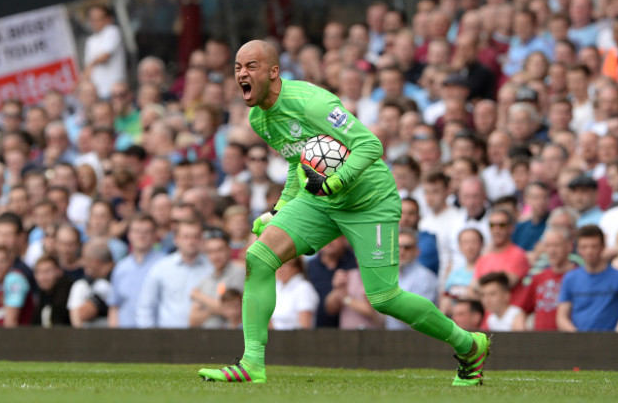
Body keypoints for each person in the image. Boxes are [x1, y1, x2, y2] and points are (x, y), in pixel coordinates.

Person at [198, 40, 490, 386]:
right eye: (237, 67)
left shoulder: (312, 103)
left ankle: (469, 344)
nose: (241, 74)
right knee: (258, 258)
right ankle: (252, 365)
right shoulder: (259, 119)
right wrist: (279, 209)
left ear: (274, 72)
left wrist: (338, 181)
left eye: (251, 66)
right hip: (320, 200)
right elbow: (298, 164)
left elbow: (370, 145)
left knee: (384, 298)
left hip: (369, 201)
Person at [136, 219, 213, 328]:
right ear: (176, 240)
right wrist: (150, 338)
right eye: (186, 237)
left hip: (207, 337)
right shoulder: (161, 268)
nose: (191, 241)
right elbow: (145, 308)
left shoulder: (211, 268)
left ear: (201, 240)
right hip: (168, 338)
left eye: (195, 237)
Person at [556, 225, 618, 331]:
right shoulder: (570, 278)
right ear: (577, 249)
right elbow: (562, 317)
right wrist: (578, 338)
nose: (589, 251)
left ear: (603, 247)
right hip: (579, 343)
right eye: (584, 247)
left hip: (612, 343)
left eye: (594, 246)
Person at [107, 214, 165, 328]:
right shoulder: (121, 267)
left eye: (146, 232)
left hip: (156, 334)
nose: (141, 236)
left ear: (154, 235)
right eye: (137, 231)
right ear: (129, 235)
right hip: (125, 335)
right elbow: (114, 306)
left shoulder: (165, 264)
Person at [519, 228, 577, 331]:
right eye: (548, 246)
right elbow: (522, 311)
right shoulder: (538, 278)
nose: (551, 251)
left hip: (570, 340)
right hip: (541, 342)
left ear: (569, 246)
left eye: (556, 245)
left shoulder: (579, 276)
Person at [189, 229, 245, 329]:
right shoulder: (206, 280)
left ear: (229, 250)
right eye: (211, 252)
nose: (215, 256)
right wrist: (214, 308)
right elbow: (192, 320)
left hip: (232, 337)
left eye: (220, 250)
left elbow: (232, 310)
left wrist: (199, 297)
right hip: (207, 338)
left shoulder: (239, 272)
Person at [385, 228, 438, 330]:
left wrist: (388, 304)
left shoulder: (426, 277)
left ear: (417, 251)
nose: (402, 251)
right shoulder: (388, 275)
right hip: (389, 337)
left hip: (417, 339)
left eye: (407, 247)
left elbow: (419, 316)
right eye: (398, 247)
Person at [67, 238, 115, 328]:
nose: (82, 263)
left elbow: (83, 314)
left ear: (95, 262)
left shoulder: (105, 283)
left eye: (85, 259)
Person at [83, 4, 127, 99]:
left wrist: (92, 64)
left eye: (99, 18)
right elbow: (88, 68)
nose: (95, 22)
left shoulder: (112, 31)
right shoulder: (90, 41)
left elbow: (104, 57)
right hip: (98, 93)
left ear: (109, 19)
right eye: (92, 19)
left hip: (115, 90)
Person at [0, 244, 33, 327]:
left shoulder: (15, 280)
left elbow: (11, 322)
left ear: (10, 262)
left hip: (21, 336)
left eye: (1, 261)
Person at [32, 254, 73, 327]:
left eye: (47, 272)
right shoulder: (42, 294)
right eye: (39, 272)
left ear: (59, 272)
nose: (43, 278)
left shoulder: (67, 290)